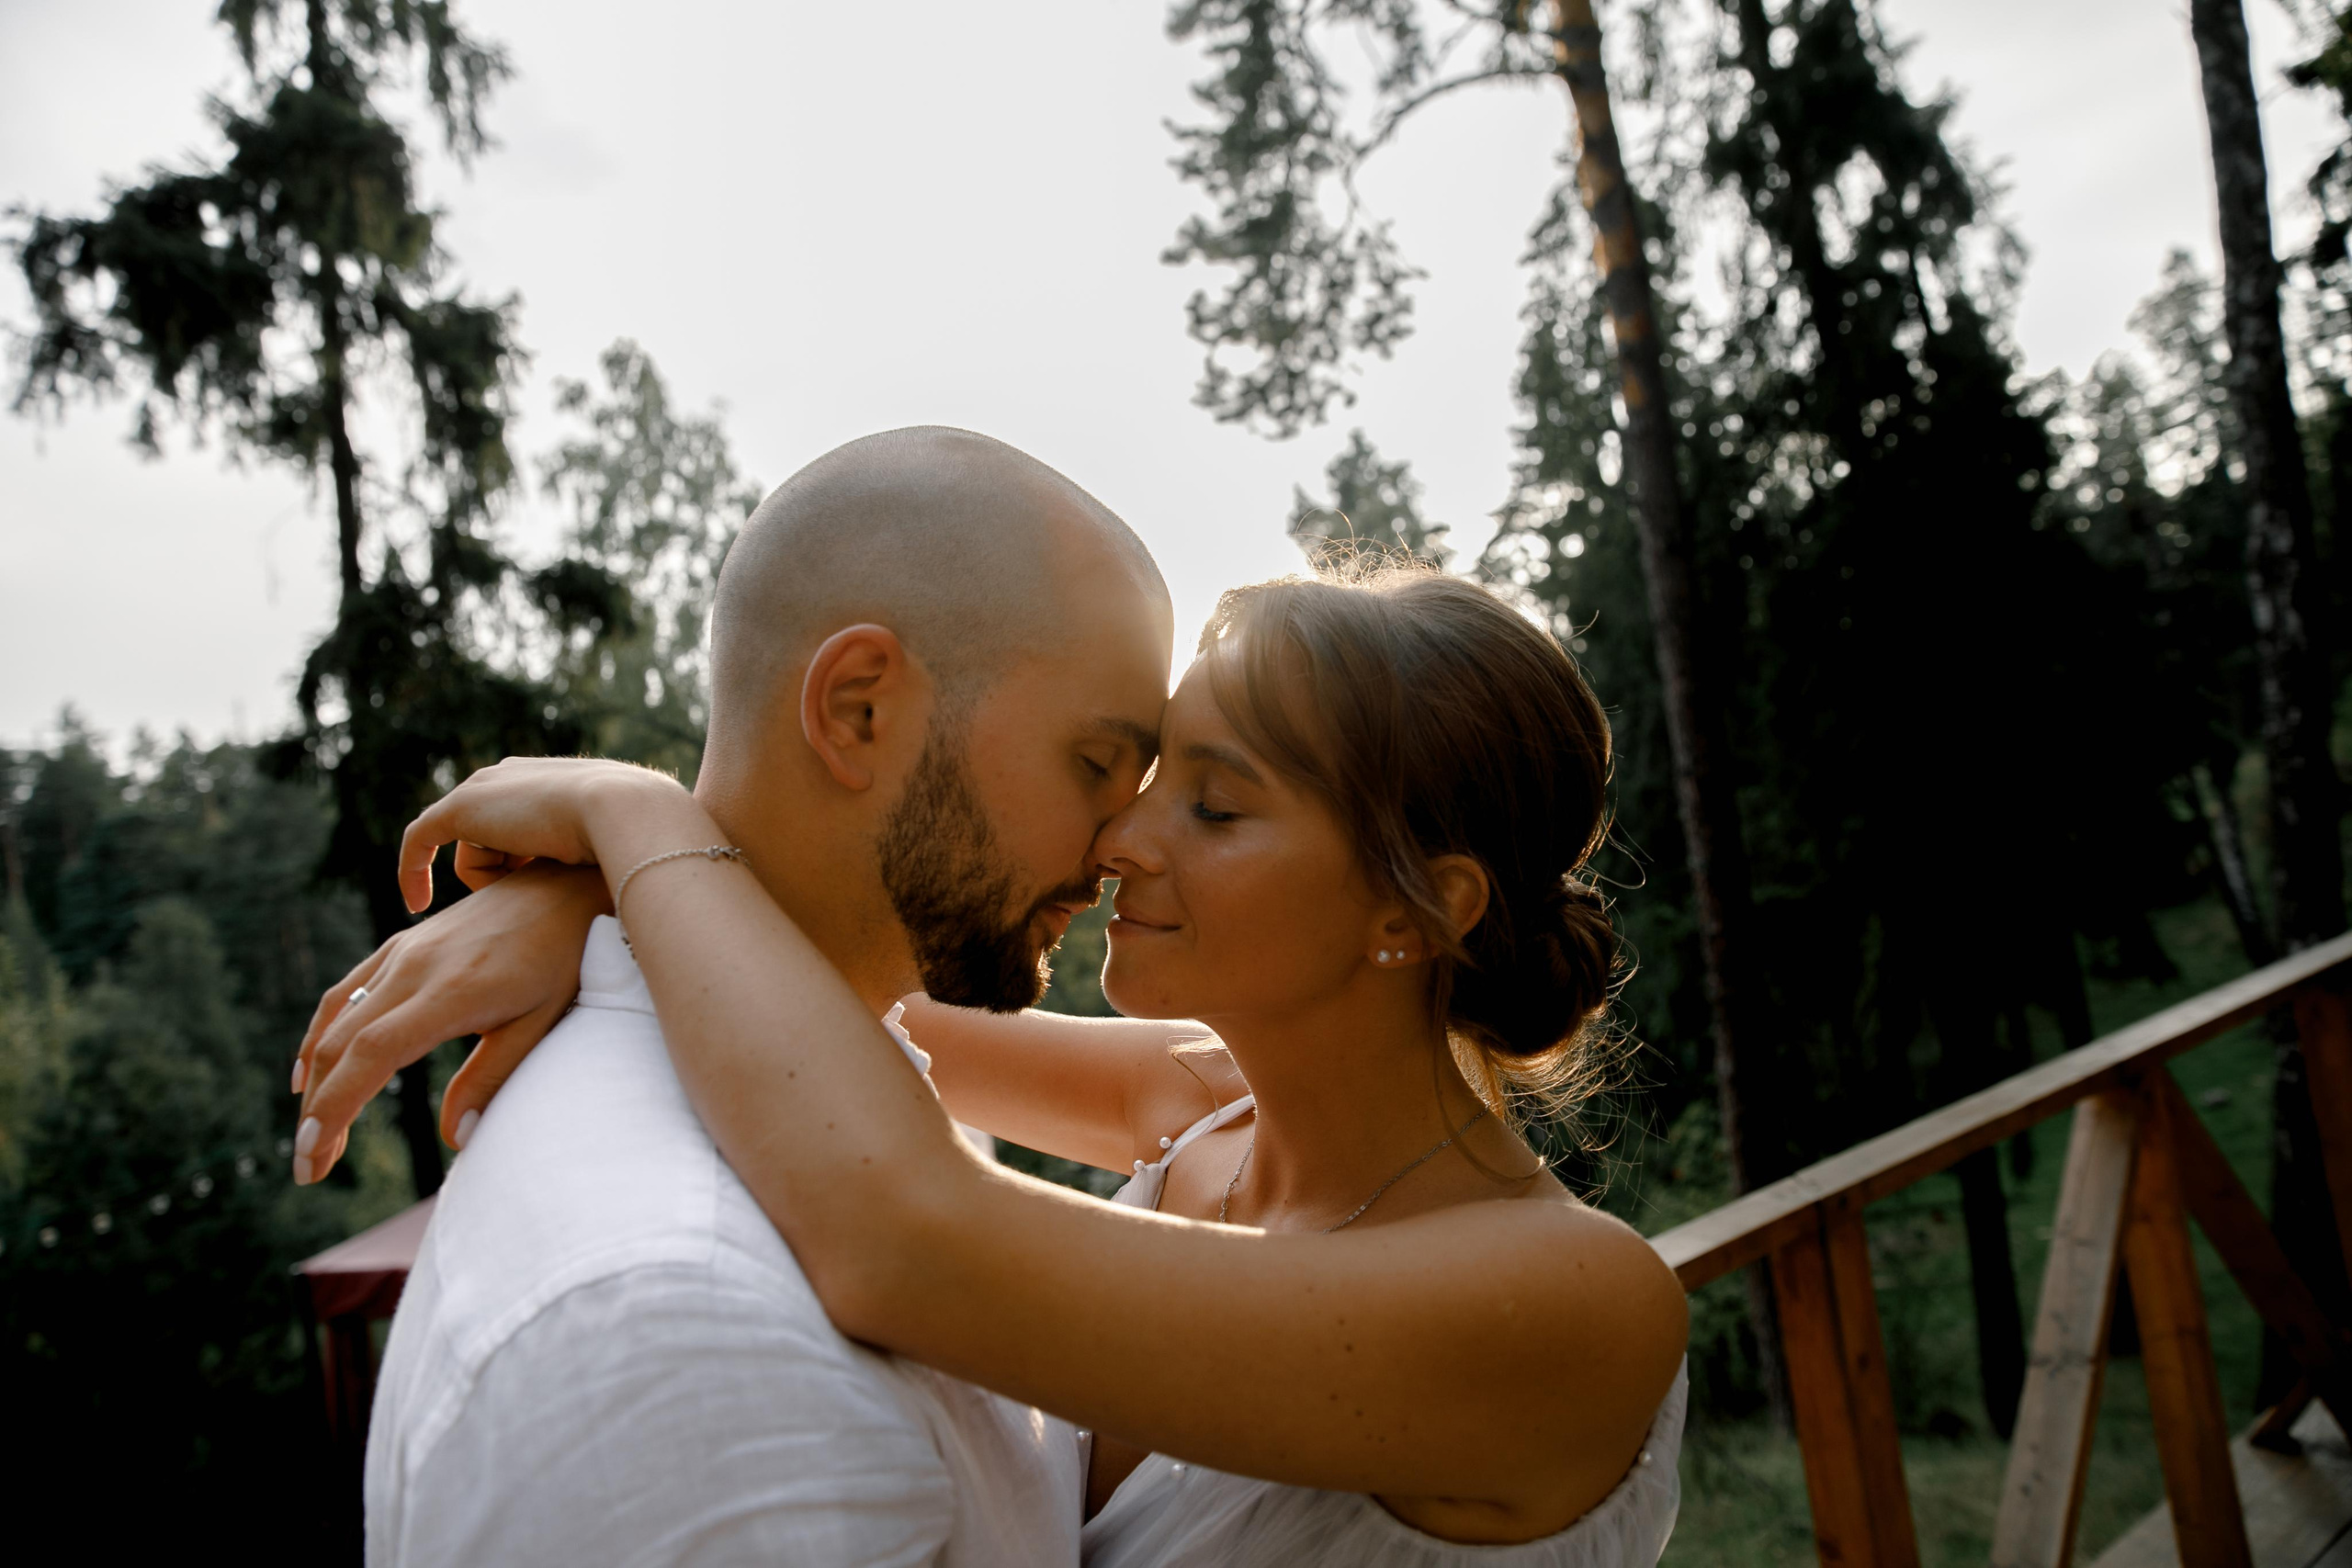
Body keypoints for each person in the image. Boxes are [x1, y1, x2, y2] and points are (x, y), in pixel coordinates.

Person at [300, 562, 1690, 1565]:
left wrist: (627, 811)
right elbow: (832, 979)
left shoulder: (1578, 1307)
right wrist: (586, 907)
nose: (1122, 842)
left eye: (1212, 804)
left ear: (1417, 907)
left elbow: (901, 1234)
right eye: (1143, 780)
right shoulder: (1197, 1106)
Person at [326, 424, 1178, 1566]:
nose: (1122, 843)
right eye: (1095, 765)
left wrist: (623, 872)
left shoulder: (844, 1084)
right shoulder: (694, 1328)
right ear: (858, 709)